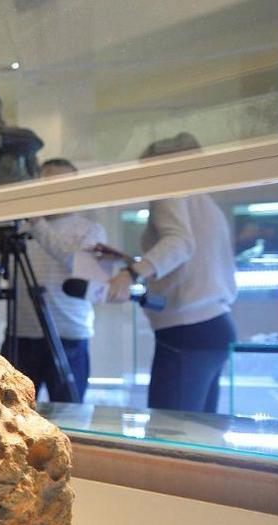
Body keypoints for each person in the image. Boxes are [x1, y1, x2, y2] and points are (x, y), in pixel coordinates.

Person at [100, 133, 237, 414]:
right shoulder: (204, 202)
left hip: (187, 330)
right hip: (214, 326)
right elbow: (191, 256)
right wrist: (131, 260)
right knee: (200, 433)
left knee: (172, 433)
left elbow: (180, 244)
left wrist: (130, 273)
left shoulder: (170, 188)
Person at [12, 158, 107, 403]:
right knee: (12, 411)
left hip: (69, 333)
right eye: (47, 184)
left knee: (69, 413)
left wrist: (37, 224)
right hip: (22, 332)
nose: (53, 190)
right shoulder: (22, 229)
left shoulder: (89, 230)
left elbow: (76, 264)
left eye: (61, 184)